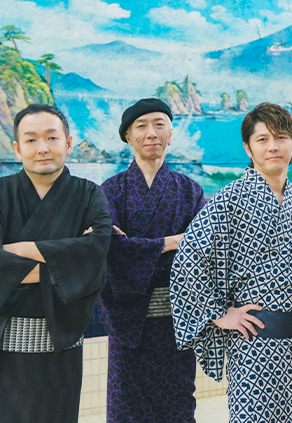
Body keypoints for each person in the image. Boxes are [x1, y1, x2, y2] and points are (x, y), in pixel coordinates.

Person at [171, 102, 292, 423]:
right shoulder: (228, 200)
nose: (273, 146)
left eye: (281, 138)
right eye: (262, 139)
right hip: (252, 345)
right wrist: (219, 314)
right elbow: (189, 259)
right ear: (248, 149)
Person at [0, 104, 112, 423]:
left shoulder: (89, 195)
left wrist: (21, 250)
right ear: (17, 148)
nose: (42, 147)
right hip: (1, 337)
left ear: (68, 143)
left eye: (51, 137)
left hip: (61, 337)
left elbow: (97, 253)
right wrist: (67, 263)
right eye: (31, 140)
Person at [99, 98, 205, 422]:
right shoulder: (110, 191)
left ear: (170, 135)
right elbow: (110, 250)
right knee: (127, 406)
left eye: (160, 125)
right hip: (129, 323)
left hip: (177, 323)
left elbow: (201, 250)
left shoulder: (190, 191)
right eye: (141, 126)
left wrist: (136, 245)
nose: (151, 133)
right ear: (128, 137)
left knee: (177, 405)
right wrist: (171, 242)